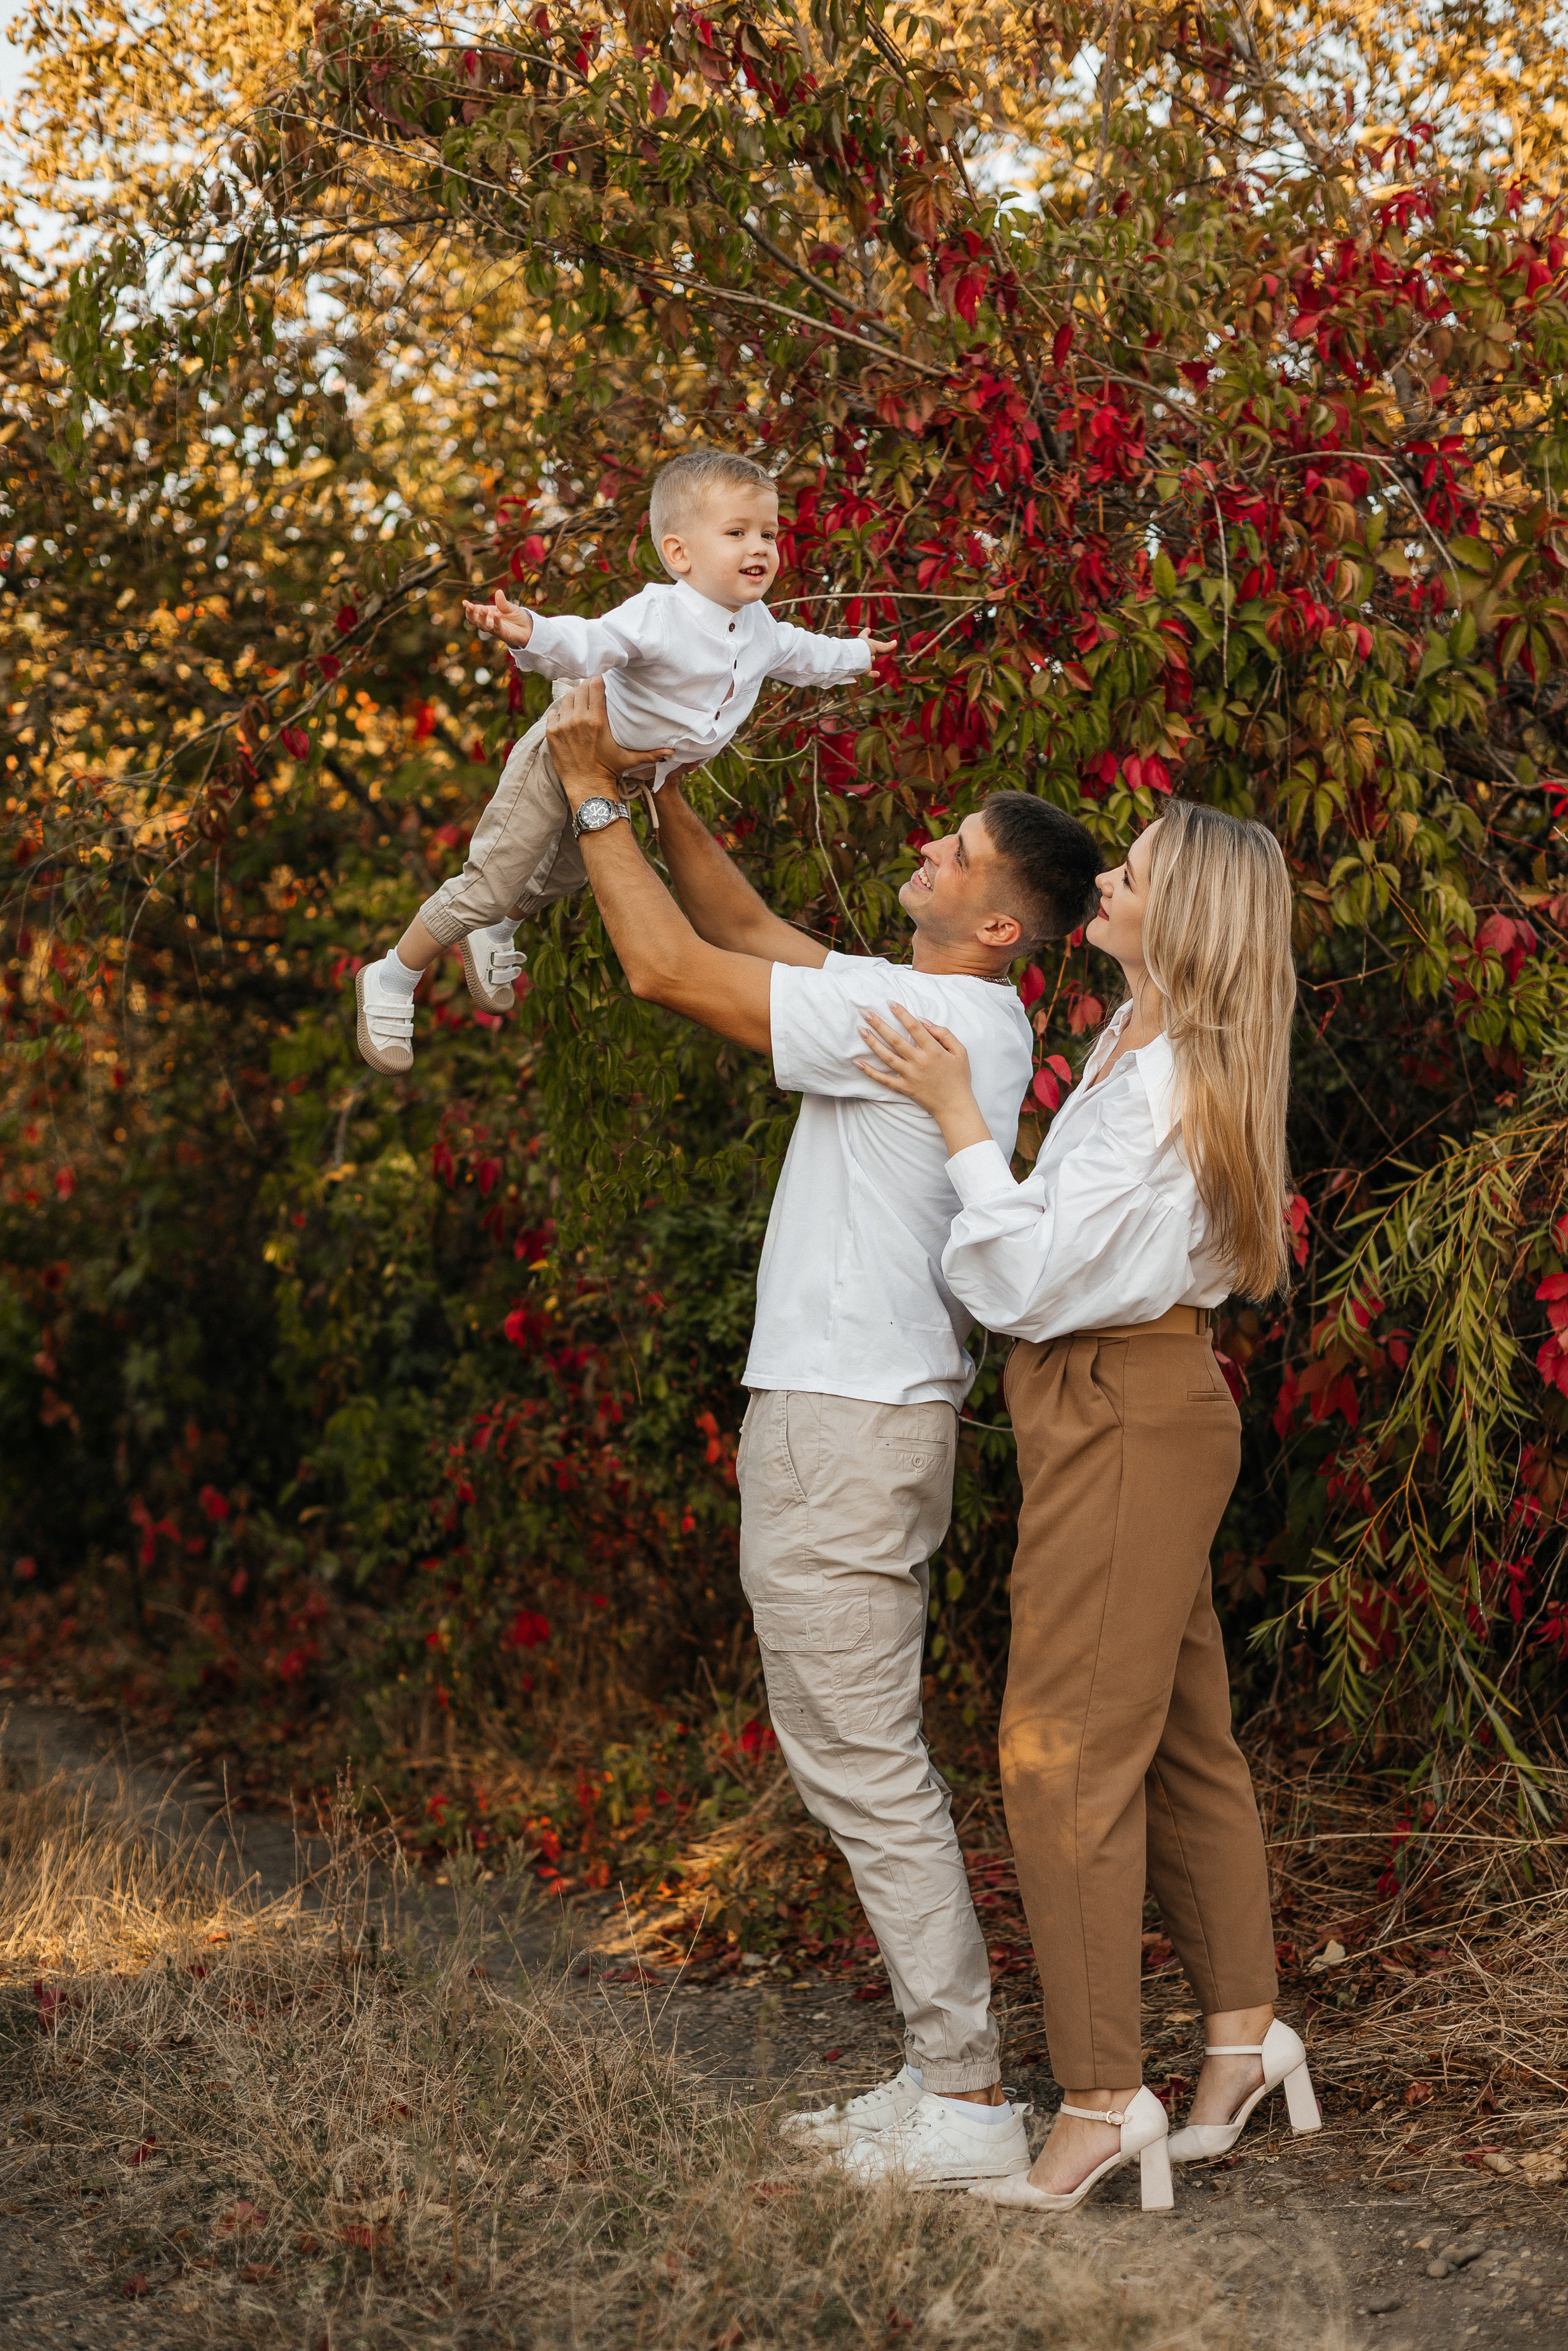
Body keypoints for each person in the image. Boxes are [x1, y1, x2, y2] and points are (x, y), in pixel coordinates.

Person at [543, 674, 1101, 2187]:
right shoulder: (934, 1005)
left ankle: (966, 2096)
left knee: (858, 1757)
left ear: (999, 922)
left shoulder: (939, 1013)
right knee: (852, 1748)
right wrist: (663, 793)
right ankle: (940, 2074)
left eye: (960, 847)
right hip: (845, 1415)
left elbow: (665, 970)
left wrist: (589, 788)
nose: (930, 840)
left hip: (850, 1424)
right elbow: (743, 933)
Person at [853, 798, 1321, 2214]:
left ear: (1183, 916)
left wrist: (951, 1125)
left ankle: (1098, 2100)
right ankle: (1243, 2036)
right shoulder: (1136, 1046)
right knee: (1180, 1741)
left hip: (1122, 1404)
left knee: (1055, 1755)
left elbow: (1024, 1281)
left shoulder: (1169, 1076)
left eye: (1131, 872)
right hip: (1121, 1403)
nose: (1103, 881)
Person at [353, 448, 891, 1074]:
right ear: (680, 553)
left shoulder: (762, 627)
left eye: (769, 534)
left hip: (625, 777)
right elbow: (590, 641)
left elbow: (806, 653)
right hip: (568, 750)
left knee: (565, 875)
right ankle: (392, 975)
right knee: (491, 883)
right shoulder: (658, 613)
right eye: (738, 533)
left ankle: (494, 933)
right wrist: (530, 630)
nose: (761, 547)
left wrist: (857, 654)